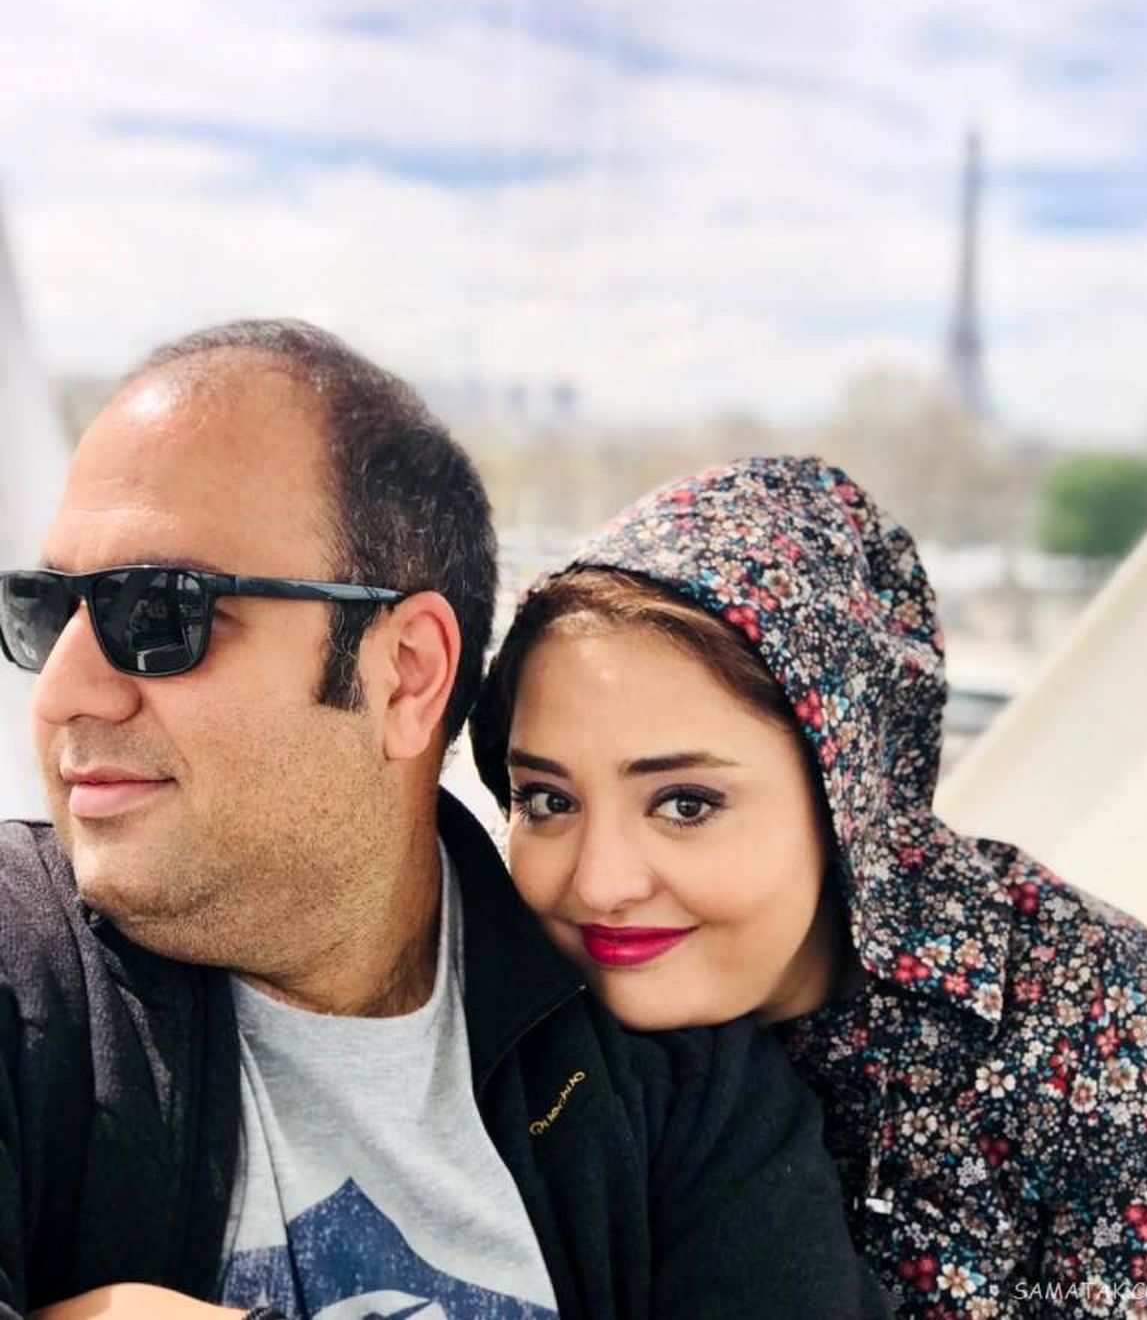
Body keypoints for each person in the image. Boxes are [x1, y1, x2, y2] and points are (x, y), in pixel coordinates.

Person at [0, 333, 891, 1320]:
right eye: (47, 610)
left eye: (160, 615)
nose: (61, 692)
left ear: (405, 675)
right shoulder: (18, 973)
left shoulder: (672, 1081)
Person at [470, 454, 1147, 1319]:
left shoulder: (1071, 999)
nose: (600, 884)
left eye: (686, 804)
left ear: (847, 798)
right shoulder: (481, 1004)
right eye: (548, 801)